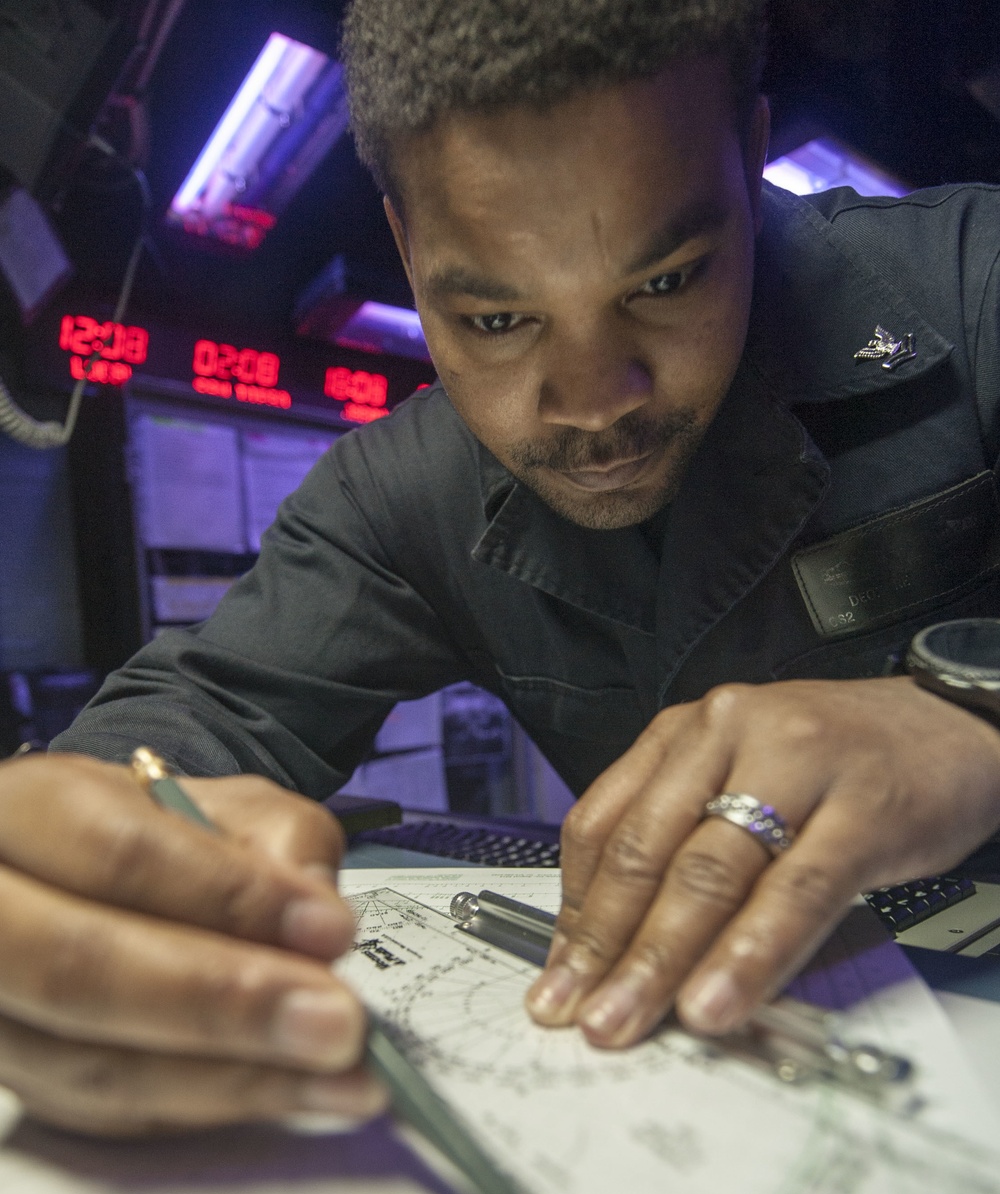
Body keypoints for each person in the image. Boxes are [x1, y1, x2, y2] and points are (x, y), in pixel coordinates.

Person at [3, 0, 1000, 1136]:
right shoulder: (399, 489)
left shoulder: (975, 286)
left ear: (751, 146)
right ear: (406, 238)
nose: (589, 403)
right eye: (493, 318)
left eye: (664, 282)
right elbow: (194, 712)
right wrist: (73, 853)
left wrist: (971, 719)